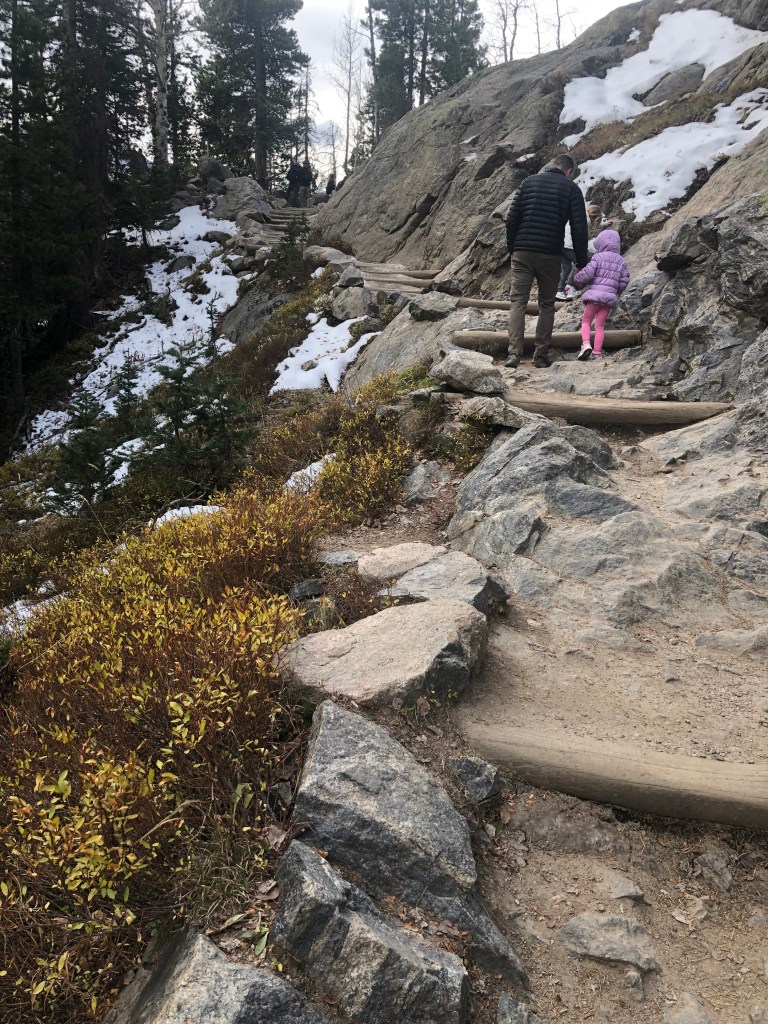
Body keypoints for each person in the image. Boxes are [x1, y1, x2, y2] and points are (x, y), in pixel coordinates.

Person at [505, 154, 588, 368]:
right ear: (569, 170)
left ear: (552, 165)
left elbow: (512, 217)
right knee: (546, 304)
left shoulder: (528, 182)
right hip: (550, 254)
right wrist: (580, 261)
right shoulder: (571, 189)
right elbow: (579, 229)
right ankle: (540, 355)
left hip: (522, 251)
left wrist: (513, 248)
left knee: (518, 302)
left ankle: (514, 353)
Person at [572, 228, 630, 361]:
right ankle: (597, 353)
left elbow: (588, 273)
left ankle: (586, 344)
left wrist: (577, 279)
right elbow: (624, 280)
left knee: (586, 321)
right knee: (600, 325)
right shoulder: (621, 261)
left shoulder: (597, 257)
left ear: (600, 243)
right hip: (609, 299)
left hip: (594, 297)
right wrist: (616, 290)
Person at [557, 203, 605, 301]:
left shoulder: (581, 216)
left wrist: (604, 224)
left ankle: (559, 291)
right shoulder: (584, 220)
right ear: (595, 216)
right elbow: (579, 235)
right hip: (569, 245)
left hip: (560, 244)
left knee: (566, 267)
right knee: (580, 264)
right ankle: (570, 287)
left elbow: (593, 222)